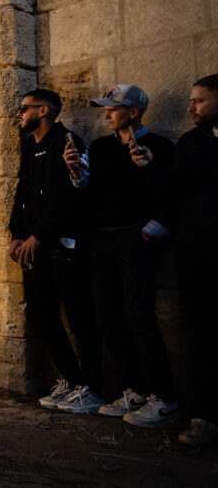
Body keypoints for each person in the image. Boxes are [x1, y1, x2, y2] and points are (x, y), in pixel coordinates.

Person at [62, 84, 177, 421]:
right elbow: (92, 196)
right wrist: (77, 175)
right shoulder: (100, 148)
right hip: (103, 242)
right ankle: (135, 391)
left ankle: (165, 398)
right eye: (106, 109)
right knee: (108, 319)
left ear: (134, 112)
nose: (107, 114)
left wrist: (150, 230)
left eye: (113, 108)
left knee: (139, 319)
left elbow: (173, 195)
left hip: (135, 239)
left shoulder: (160, 147)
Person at [130, 74, 218, 445]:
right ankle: (205, 417)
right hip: (196, 252)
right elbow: (173, 193)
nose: (190, 107)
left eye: (198, 100)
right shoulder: (190, 142)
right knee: (200, 334)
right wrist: (150, 166)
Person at [9, 89, 102, 411]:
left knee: (80, 317)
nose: (19, 114)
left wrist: (37, 235)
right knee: (40, 313)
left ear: (44, 110)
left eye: (24, 108)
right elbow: (22, 192)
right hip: (34, 249)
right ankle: (72, 379)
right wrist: (16, 234)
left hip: (64, 248)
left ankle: (92, 387)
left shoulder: (68, 142)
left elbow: (67, 197)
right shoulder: (30, 145)